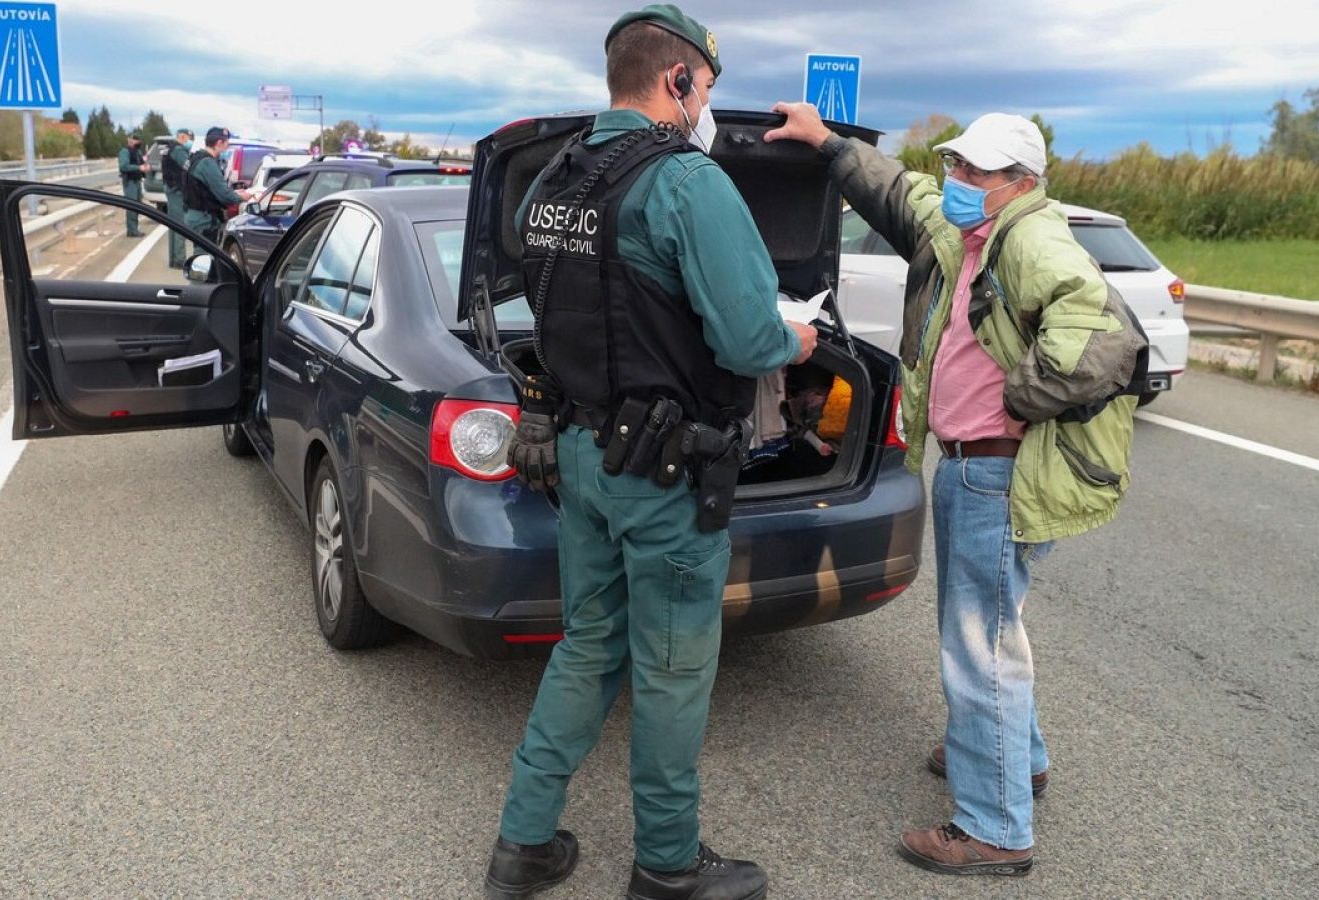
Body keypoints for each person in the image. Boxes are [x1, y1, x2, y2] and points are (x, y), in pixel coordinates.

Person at [483, 5, 817, 899]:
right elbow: (748, 342)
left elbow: (558, 308)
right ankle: (667, 865)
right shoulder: (685, 182)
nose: (707, 102)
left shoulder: (553, 178)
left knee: (588, 644)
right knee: (672, 672)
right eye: (706, 85)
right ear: (679, 79)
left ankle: (524, 843)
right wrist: (796, 340)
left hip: (583, 458)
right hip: (666, 476)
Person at [764, 105, 1147, 876]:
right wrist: (830, 145)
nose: (959, 180)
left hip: (996, 468)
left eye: (977, 172)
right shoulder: (976, 232)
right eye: (959, 166)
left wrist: (1021, 398)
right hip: (977, 467)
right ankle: (1017, 761)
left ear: (1022, 183)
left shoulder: (1033, 237)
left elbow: (1108, 333)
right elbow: (906, 194)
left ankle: (995, 827)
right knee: (995, 629)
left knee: (979, 647)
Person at [182, 126, 250, 255]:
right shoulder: (208, 163)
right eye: (226, 143)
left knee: (202, 255)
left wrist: (234, 193)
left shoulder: (195, 157)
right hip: (204, 218)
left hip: (194, 213)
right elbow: (224, 195)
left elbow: (209, 188)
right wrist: (243, 197)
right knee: (205, 259)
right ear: (219, 143)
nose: (227, 147)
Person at [163, 128, 193, 268]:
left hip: (171, 188)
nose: (189, 141)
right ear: (182, 137)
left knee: (173, 224)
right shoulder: (178, 150)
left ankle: (174, 259)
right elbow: (189, 166)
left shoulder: (169, 148)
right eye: (188, 138)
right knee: (180, 225)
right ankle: (180, 260)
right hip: (176, 190)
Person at [116, 134, 150, 237]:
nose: (138, 142)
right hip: (130, 182)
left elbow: (141, 162)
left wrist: (146, 166)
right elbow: (124, 166)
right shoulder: (125, 152)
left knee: (137, 206)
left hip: (137, 181)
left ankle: (133, 228)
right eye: (135, 140)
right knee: (131, 206)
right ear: (130, 140)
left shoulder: (137, 152)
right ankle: (132, 230)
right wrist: (138, 168)